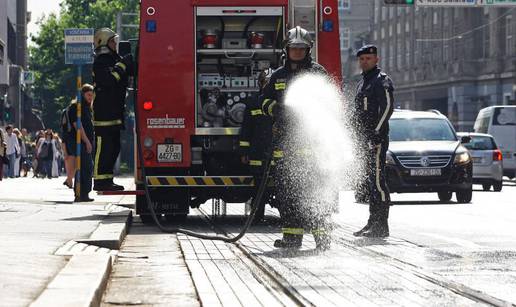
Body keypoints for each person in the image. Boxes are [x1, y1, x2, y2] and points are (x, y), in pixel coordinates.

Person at [259, 26, 331, 250]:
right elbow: (263, 102)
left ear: (308, 50)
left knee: (314, 194)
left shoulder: (318, 73)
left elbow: (328, 104)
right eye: (294, 48)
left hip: (313, 149)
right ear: (287, 50)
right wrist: (275, 109)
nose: (297, 52)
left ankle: (322, 239)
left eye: (302, 49)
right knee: (287, 196)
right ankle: (292, 238)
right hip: (284, 149)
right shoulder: (279, 76)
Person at [352, 45, 394, 238]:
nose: (365, 62)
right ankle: (371, 223)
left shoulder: (381, 80)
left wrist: (377, 133)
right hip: (363, 139)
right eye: (362, 59)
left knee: (378, 182)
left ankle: (381, 225)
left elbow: (387, 108)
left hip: (376, 140)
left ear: (376, 59)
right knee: (370, 183)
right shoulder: (363, 82)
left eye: (368, 58)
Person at [92, 28, 133, 191]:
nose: (115, 44)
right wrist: (123, 64)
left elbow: (125, 74)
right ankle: (100, 181)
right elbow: (109, 80)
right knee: (104, 147)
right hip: (104, 114)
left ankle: (108, 180)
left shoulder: (114, 59)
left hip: (115, 112)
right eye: (112, 41)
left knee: (114, 147)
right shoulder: (101, 61)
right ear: (104, 43)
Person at [239, 68, 273, 222]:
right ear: (260, 83)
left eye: (270, 82)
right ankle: (257, 216)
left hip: (277, 152)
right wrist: (244, 151)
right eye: (265, 82)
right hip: (257, 152)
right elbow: (246, 128)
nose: (267, 85)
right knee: (258, 187)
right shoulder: (253, 102)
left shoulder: (281, 102)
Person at [68, 84, 95, 202]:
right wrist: (87, 142)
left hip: (85, 142)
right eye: (88, 95)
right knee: (85, 167)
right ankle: (81, 193)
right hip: (79, 142)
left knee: (86, 167)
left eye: (92, 95)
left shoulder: (87, 108)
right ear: (82, 95)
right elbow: (78, 125)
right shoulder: (76, 107)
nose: (90, 97)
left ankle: (83, 193)